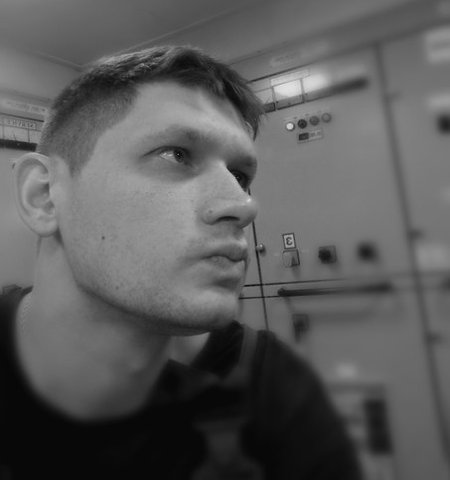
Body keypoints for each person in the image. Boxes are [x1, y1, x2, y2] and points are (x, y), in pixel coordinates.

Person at [0, 46, 362, 479]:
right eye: (176, 154)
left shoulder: (268, 385)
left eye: (240, 176)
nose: (243, 205)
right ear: (44, 196)